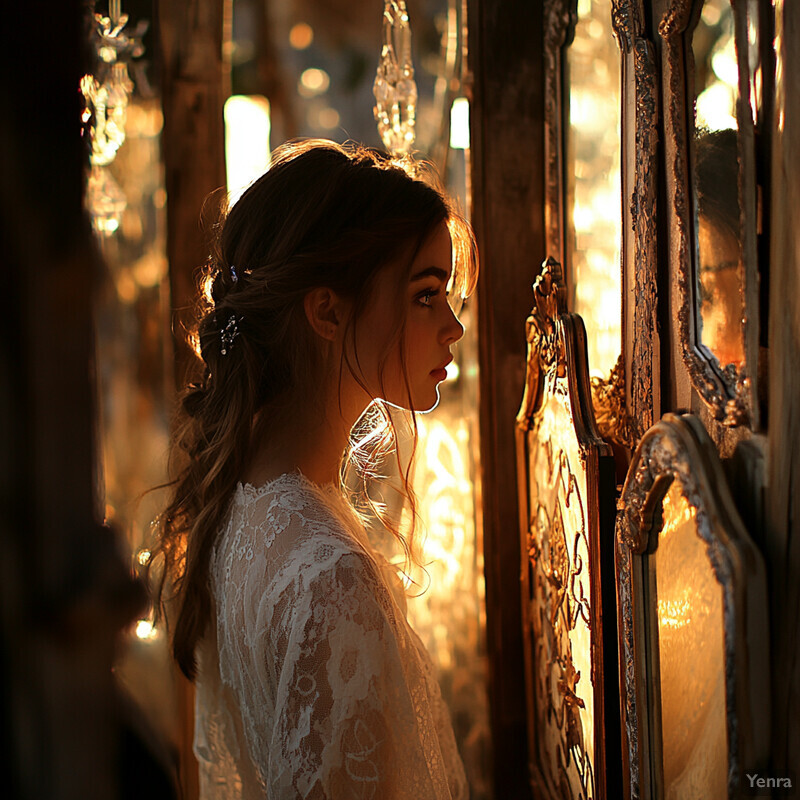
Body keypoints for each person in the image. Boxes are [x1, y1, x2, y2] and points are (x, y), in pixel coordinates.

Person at [152, 139, 477, 799]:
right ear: (328, 310)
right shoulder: (331, 576)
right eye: (424, 295)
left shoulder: (243, 508)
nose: (454, 327)